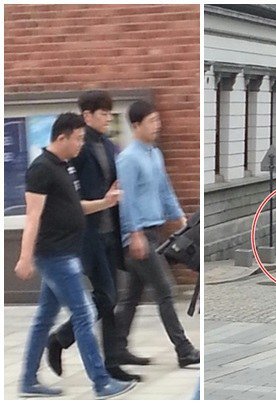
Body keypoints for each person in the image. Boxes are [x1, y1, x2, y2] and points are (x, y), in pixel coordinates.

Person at [15, 113, 136, 399]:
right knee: (85, 313)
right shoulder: (41, 169)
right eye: (78, 139)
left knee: (44, 318)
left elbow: (75, 207)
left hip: (67, 252)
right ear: (62, 137)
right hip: (55, 255)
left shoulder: (64, 167)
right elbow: (33, 216)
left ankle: (28, 381)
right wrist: (25, 257)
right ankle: (101, 382)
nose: (81, 144)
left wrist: (105, 203)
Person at [47, 91, 148, 383]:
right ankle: (64, 340)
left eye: (108, 113)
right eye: (102, 113)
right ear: (87, 115)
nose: (107, 118)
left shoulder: (108, 145)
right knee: (107, 296)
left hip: (109, 232)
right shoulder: (78, 148)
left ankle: (111, 359)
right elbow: (72, 193)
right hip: (87, 234)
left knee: (109, 297)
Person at [115, 99, 200, 368]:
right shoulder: (128, 159)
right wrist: (134, 234)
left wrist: (180, 218)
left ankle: (117, 348)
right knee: (165, 289)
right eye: (152, 121)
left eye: (158, 120)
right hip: (138, 237)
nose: (157, 125)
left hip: (154, 232)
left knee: (131, 297)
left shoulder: (154, 154)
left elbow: (165, 190)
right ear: (135, 125)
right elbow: (126, 200)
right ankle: (184, 349)